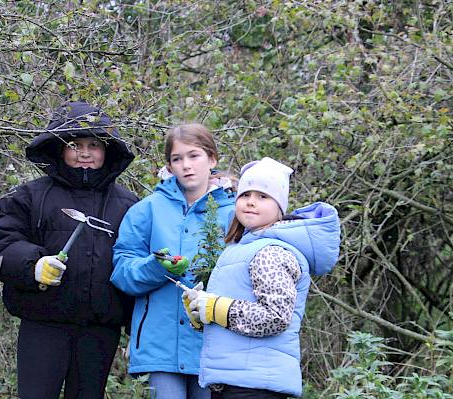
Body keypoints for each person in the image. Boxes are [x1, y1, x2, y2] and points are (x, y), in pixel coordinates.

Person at [0, 102, 137, 399]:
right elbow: (1, 245)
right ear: (59, 148)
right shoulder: (29, 196)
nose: (84, 152)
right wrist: (34, 266)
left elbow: (137, 265)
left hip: (99, 330)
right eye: (74, 144)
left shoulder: (129, 204)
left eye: (94, 144)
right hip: (43, 326)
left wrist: (138, 329)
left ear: (107, 150)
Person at [185, 157, 341, 399]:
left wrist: (217, 308)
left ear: (279, 207)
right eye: (245, 195)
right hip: (233, 382)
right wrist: (202, 313)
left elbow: (275, 317)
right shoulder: (240, 248)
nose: (251, 202)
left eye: (263, 197)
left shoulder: (271, 252)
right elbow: (235, 319)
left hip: (256, 387)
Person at [110, 123, 235, 399]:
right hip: (159, 344)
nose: (186, 166)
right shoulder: (146, 209)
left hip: (214, 344)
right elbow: (121, 271)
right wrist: (155, 267)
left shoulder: (236, 212)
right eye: (177, 159)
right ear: (169, 165)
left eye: (194, 156)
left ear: (212, 159)